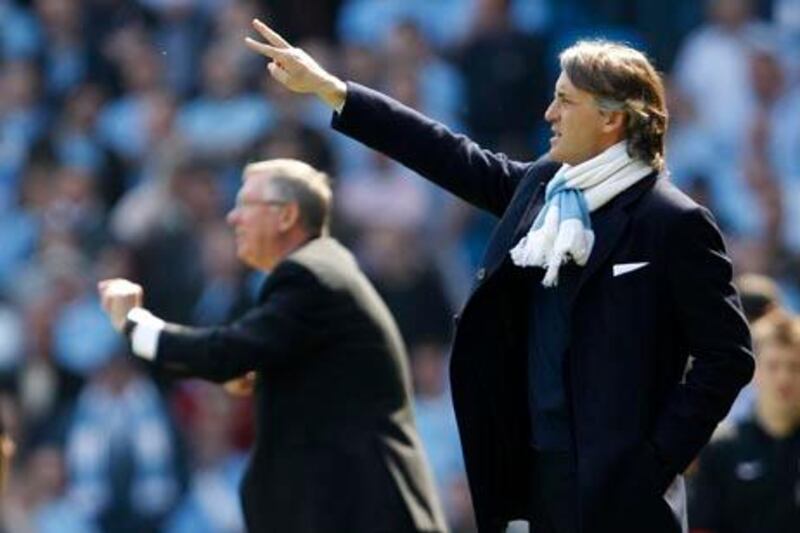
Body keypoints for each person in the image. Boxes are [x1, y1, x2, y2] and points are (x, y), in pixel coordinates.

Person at [244, 20, 755, 533]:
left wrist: (653, 464)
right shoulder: (543, 190)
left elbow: (727, 356)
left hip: (624, 499)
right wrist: (332, 90)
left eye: (565, 101)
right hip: (534, 482)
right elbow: (446, 152)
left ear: (611, 119)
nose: (549, 113)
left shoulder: (674, 221)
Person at [98, 159, 447, 533]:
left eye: (247, 204)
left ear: (286, 216)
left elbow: (227, 353)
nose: (233, 218)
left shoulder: (309, 275)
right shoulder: (324, 271)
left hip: (362, 514)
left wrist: (136, 325)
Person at [689, 311, 800, 533]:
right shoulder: (721, 448)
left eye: (795, 367)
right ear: (755, 370)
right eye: (773, 365)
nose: (783, 377)